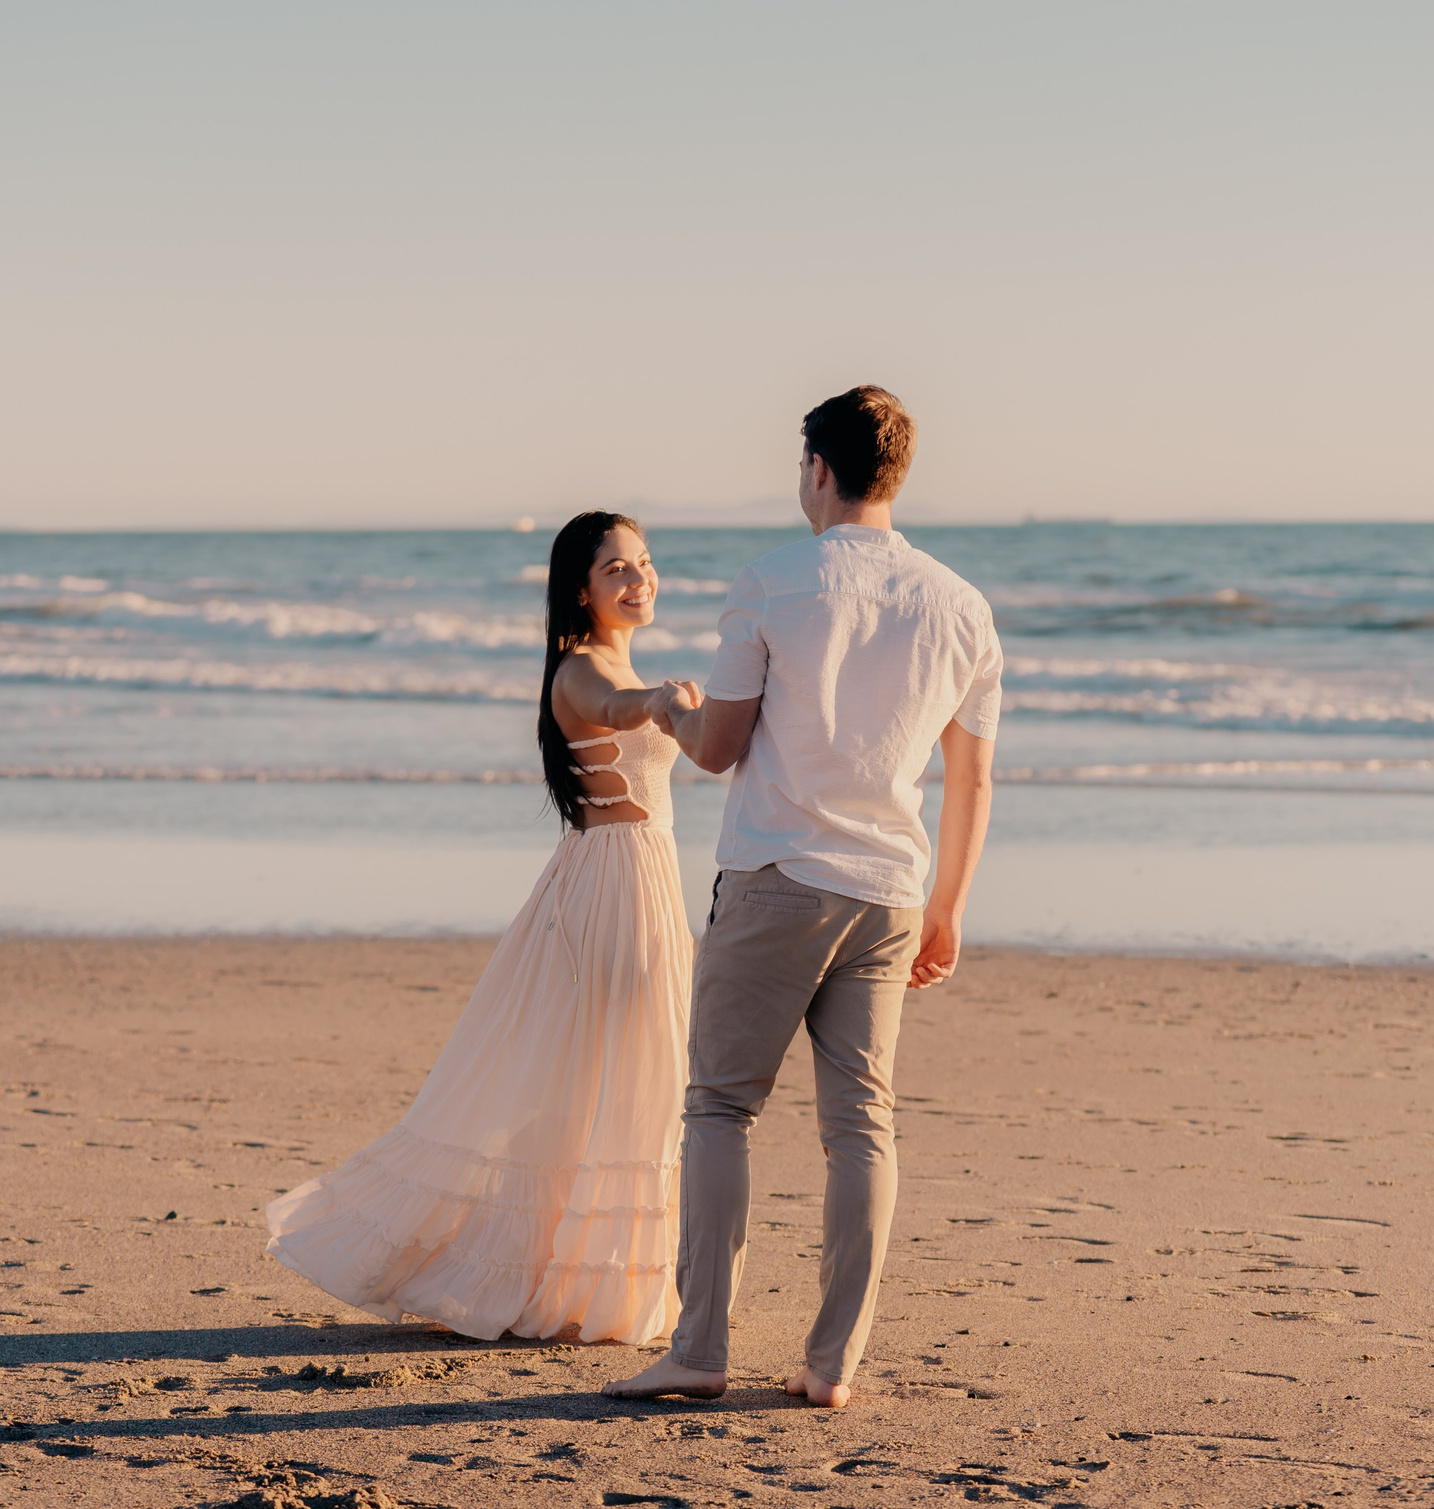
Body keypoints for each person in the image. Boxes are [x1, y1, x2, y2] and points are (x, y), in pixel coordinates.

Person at [607, 385, 1001, 1408]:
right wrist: (948, 908)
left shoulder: (775, 583)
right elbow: (972, 778)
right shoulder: (960, 604)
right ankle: (830, 1366)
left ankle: (699, 1348)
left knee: (720, 1107)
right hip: (891, 891)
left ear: (817, 470)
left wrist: (671, 714)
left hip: (779, 878)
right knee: (859, 1126)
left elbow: (722, 749)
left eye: (798, 466)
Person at [262, 511, 701, 1345]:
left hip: (640, 875)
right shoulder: (580, 671)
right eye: (617, 569)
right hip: (613, 885)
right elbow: (618, 705)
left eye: (644, 564)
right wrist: (661, 701)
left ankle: (597, 1281)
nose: (639, 579)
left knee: (624, 1077)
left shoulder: (618, 657)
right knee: (614, 1077)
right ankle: (574, 1283)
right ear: (581, 588)